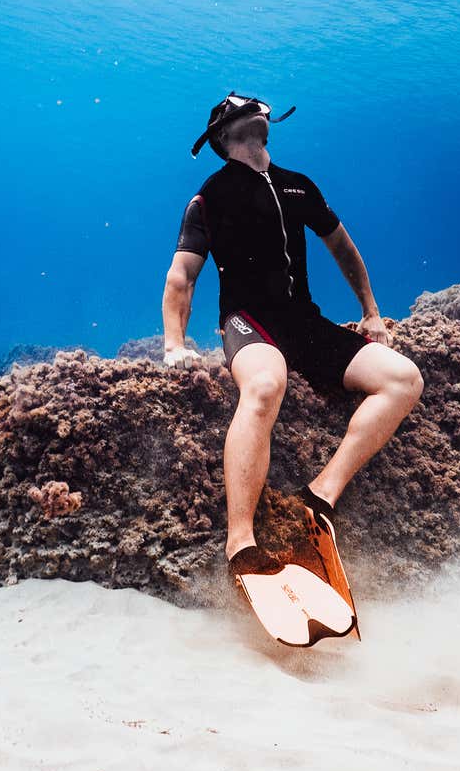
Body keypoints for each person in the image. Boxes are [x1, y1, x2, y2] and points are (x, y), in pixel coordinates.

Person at [161, 92, 424, 584]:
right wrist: (174, 344)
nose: (253, 115)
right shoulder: (209, 197)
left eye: (258, 110)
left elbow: (344, 250)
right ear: (220, 137)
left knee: (403, 379)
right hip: (248, 323)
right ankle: (240, 542)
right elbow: (182, 277)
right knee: (264, 385)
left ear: (267, 124)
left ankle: (319, 495)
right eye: (239, 112)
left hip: (305, 323)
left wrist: (372, 313)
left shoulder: (298, 187)